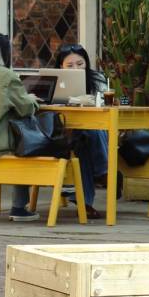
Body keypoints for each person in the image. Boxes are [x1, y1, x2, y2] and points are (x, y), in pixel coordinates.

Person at [0, 32, 41, 221]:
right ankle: (19, 207)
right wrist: (31, 99)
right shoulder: (6, 76)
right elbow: (25, 109)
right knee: (23, 145)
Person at [55, 43, 106, 220]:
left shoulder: (97, 79)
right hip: (64, 134)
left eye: (80, 63)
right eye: (69, 65)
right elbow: (48, 106)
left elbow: (105, 103)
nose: (75, 68)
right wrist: (72, 101)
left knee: (89, 137)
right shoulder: (54, 80)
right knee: (82, 141)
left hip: (96, 131)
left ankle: (85, 204)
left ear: (86, 63)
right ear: (60, 66)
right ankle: (103, 173)